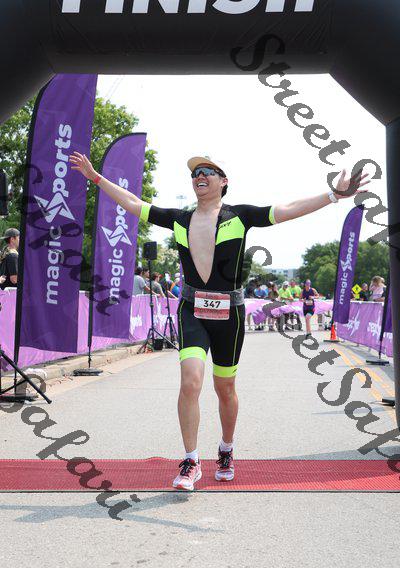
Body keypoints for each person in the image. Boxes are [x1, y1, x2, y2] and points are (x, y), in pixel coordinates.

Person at [70, 150, 368, 491]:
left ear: (223, 181)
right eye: (195, 172)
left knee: (224, 387)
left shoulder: (240, 216)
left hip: (230, 316)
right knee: (190, 382)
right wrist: (96, 178)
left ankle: (226, 449)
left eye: (208, 171)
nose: (200, 175)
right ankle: (191, 461)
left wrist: (333, 195)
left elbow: (288, 209)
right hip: (192, 310)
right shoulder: (179, 219)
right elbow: (133, 203)